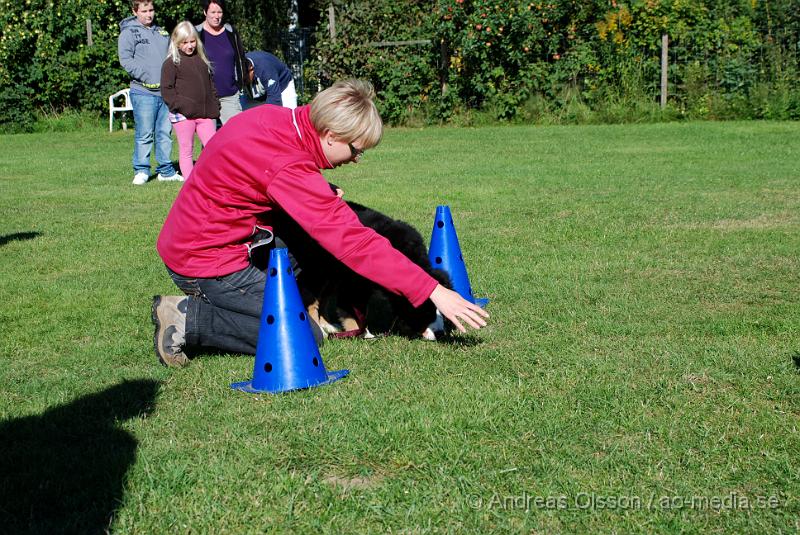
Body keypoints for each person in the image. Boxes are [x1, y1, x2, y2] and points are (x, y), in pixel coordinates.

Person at [152, 79, 489, 367]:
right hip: (205, 261)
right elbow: (355, 242)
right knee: (303, 336)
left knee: (315, 245)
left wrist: (318, 190)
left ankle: (301, 302)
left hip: (205, 238)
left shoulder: (274, 119)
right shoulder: (288, 165)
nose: (356, 160)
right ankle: (187, 318)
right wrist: (431, 289)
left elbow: (253, 173)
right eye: (356, 150)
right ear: (330, 134)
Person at [118, 0, 183, 185]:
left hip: (165, 92)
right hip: (143, 92)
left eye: (151, 10)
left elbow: (172, 57)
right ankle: (141, 171)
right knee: (144, 133)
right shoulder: (128, 33)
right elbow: (125, 60)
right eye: (144, 11)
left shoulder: (161, 32)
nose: (149, 14)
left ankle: (166, 171)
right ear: (135, 11)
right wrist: (145, 76)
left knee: (164, 133)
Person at [161, 21, 220, 181]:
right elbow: (167, 90)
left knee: (213, 147)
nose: (189, 46)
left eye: (192, 41)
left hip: (205, 114)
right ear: (176, 42)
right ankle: (190, 183)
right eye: (185, 42)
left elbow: (210, 85)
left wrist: (215, 104)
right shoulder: (171, 63)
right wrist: (180, 106)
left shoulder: (201, 60)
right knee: (187, 149)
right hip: (183, 116)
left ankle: (210, 178)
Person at [195, 0, 247, 125]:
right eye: (213, 12)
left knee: (237, 134)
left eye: (219, 12)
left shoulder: (230, 32)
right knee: (209, 141)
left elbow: (240, 59)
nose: (216, 16)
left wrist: (241, 82)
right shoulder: (196, 33)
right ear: (204, 12)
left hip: (230, 95)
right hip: (206, 97)